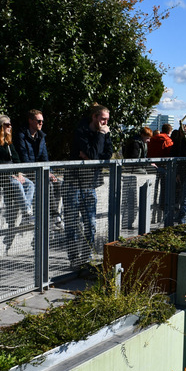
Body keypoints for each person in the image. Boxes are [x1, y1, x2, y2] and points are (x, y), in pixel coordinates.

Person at [70, 103, 113, 258]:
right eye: (102, 119)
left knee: (91, 223)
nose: (105, 123)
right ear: (94, 117)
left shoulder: (104, 132)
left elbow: (108, 154)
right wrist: (100, 136)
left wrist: (90, 156)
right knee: (72, 224)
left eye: (107, 120)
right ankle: (74, 258)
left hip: (90, 184)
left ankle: (86, 257)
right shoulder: (81, 131)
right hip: (73, 184)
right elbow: (95, 155)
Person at [0, 115, 35, 226]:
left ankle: (26, 214)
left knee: (30, 184)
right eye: (7, 124)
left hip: (10, 173)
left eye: (10, 124)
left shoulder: (8, 141)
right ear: (0, 126)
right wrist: (11, 173)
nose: (10, 127)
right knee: (16, 183)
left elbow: (16, 159)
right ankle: (27, 213)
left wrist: (19, 173)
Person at [15, 109, 62, 229]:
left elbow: (44, 157)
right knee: (47, 184)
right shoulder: (21, 136)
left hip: (39, 171)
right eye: (39, 121)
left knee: (57, 183)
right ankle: (54, 215)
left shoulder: (41, 136)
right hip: (26, 171)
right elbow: (24, 158)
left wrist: (50, 172)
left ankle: (52, 215)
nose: (41, 123)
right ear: (30, 121)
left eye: (42, 121)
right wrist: (42, 173)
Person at [121, 127, 152, 229]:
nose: (149, 140)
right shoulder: (136, 143)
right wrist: (148, 164)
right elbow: (135, 159)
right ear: (142, 135)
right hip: (134, 169)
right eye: (147, 138)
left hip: (136, 167)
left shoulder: (139, 142)